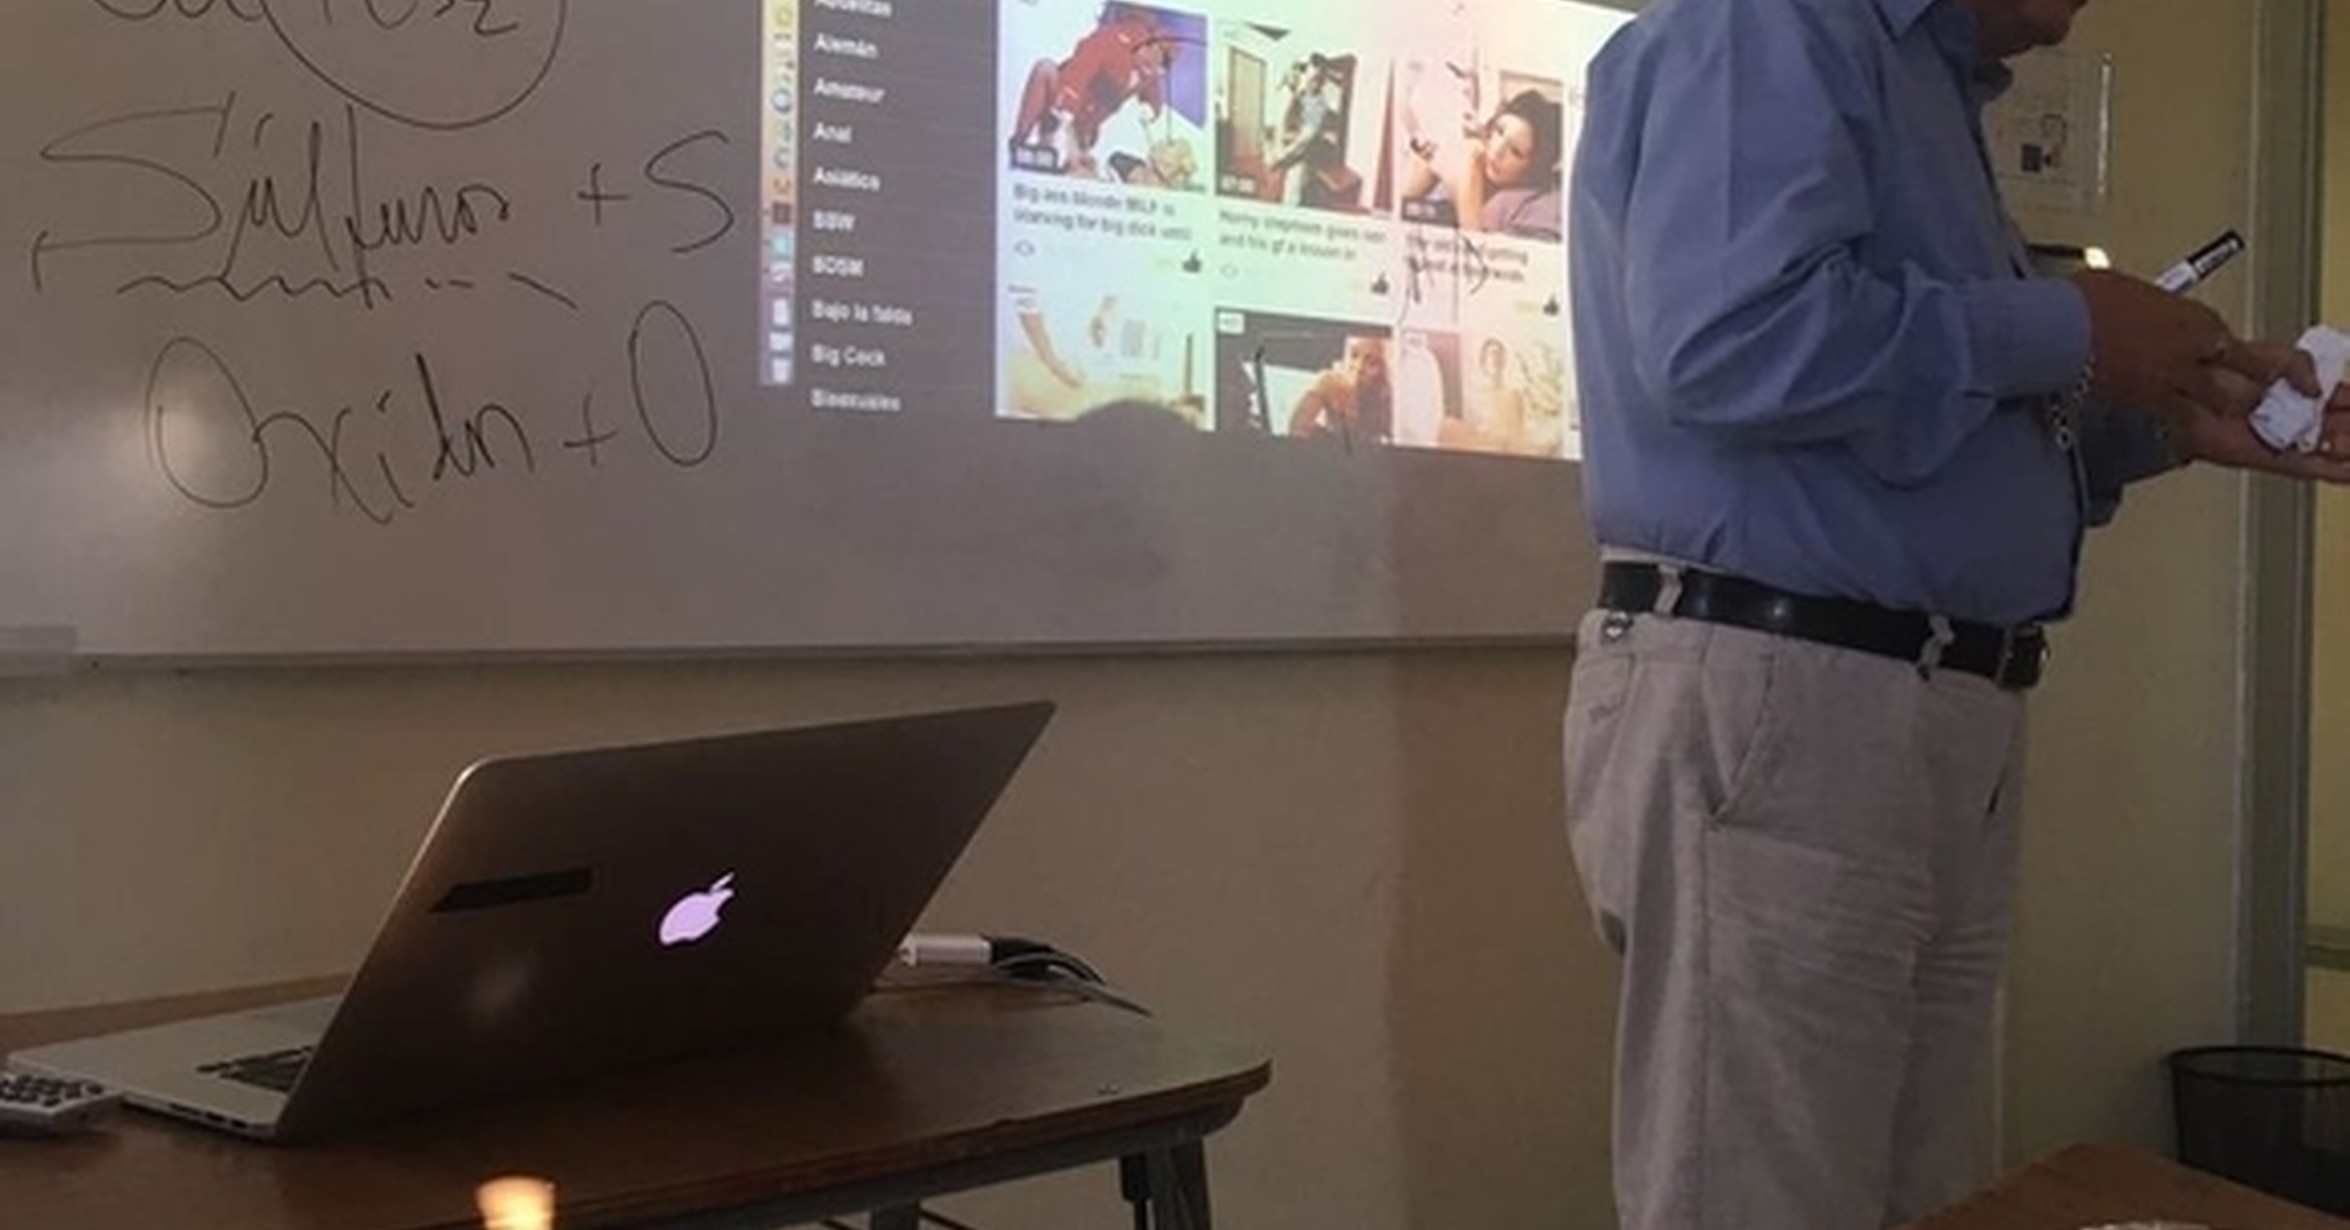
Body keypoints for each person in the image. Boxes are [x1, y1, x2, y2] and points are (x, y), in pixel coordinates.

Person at [1562, 2, 2350, 1229]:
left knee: (1920, 1200)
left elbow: (1929, 429)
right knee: (1765, 1202)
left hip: (1905, 705)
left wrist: (2175, 422)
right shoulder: (1772, 22)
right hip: (1796, 693)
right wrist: (2071, 328)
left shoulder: (1928, 82)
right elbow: (1727, 342)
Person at [1009, 4, 1178, 179]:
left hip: (1086, 125)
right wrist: (1066, 109)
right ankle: (1021, 142)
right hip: (1061, 104)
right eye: (1150, 58)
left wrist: (1150, 108)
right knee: (1044, 69)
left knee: (1077, 167)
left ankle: (1065, 156)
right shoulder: (1110, 42)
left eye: (1158, 67)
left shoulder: (1150, 72)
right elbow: (1081, 68)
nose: (1151, 68)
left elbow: (1153, 92)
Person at [1402, 88, 1565, 241]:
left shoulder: (1536, 207)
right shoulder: (1469, 154)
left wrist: (1468, 176)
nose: (1497, 150)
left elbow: (1477, 252)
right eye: (1499, 131)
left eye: (1515, 152)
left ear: (1534, 169)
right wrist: (1425, 171)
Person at [1287, 335, 1392, 442]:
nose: (1358, 367)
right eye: (1354, 355)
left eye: (1371, 362)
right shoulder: (1331, 382)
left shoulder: (1387, 396)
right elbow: (1298, 428)